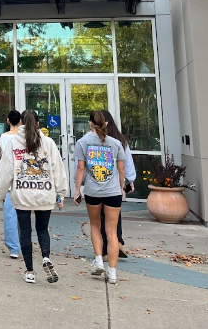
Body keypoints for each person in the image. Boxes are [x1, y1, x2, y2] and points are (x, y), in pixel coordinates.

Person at [0, 110, 67, 284]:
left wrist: (1, 194)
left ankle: (29, 271)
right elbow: (57, 168)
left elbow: (5, 172)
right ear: (38, 123)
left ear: (21, 122)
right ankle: (46, 257)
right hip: (45, 193)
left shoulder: (14, 143)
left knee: (25, 231)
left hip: (22, 194)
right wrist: (61, 192)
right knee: (43, 229)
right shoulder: (48, 143)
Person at [73, 110, 126, 285]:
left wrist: (77, 189)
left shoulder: (83, 143)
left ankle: (98, 260)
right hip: (113, 193)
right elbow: (121, 170)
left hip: (93, 191)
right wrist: (120, 187)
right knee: (112, 233)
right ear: (106, 124)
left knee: (95, 226)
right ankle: (112, 273)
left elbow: (81, 168)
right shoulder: (116, 143)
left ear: (90, 124)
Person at [99, 110, 136, 259]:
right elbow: (128, 164)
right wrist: (129, 180)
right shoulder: (121, 141)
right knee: (115, 215)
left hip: (99, 183)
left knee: (101, 217)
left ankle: (105, 250)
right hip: (116, 185)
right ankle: (118, 241)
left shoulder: (95, 141)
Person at [0, 110, 23, 259]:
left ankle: (14, 248)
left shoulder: (0, 138)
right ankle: (24, 242)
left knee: (10, 215)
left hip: (7, 181)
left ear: (8, 120)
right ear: (20, 121)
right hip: (24, 182)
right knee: (24, 215)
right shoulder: (25, 138)